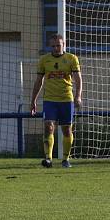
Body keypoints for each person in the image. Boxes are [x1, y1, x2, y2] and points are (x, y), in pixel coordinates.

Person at [30, 34, 82, 169]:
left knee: (66, 130)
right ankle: (48, 159)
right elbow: (38, 82)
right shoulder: (44, 60)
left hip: (66, 99)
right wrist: (33, 100)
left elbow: (78, 80)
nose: (56, 48)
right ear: (50, 46)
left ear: (63, 44)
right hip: (50, 100)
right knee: (48, 127)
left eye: (58, 45)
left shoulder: (71, 59)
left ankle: (65, 159)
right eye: (53, 46)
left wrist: (78, 96)